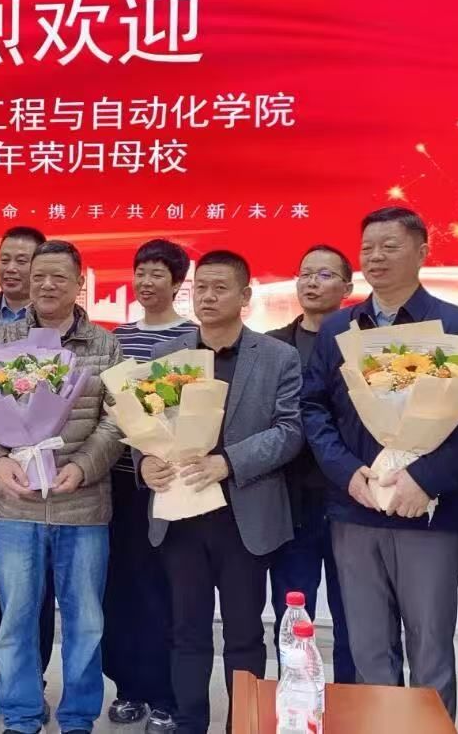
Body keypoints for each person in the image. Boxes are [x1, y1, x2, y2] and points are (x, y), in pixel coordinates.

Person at [301, 207, 458, 719]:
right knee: (368, 645)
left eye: (389, 246)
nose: (376, 257)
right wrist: (348, 473)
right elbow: (314, 409)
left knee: (430, 645)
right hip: (355, 506)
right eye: (367, 248)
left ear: (422, 251)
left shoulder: (456, 325)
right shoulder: (338, 328)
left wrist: (424, 479)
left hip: (429, 511)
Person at [139, 250, 303, 734]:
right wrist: (145, 462)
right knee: (186, 629)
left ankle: (244, 725)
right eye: (200, 288)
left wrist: (227, 462)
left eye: (220, 288)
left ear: (245, 296)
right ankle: (189, 721)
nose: (207, 297)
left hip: (243, 515)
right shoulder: (166, 357)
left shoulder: (277, 357)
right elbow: (145, 428)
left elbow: (290, 431)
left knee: (245, 634)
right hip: (180, 514)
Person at [0, 239, 123, 734]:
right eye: (39, 276)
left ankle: (78, 716)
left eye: (59, 276)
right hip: (13, 506)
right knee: (14, 621)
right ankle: (21, 714)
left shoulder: (105, 345)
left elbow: (117, 420)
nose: (47, 285)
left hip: (83, 505)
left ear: (80, 283)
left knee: (86, 621)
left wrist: (83, 467)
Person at [0, 225, 56, 722]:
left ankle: (31, 680)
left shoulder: (55, 327)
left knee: (34, 590)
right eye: (6, 258)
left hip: (42, 482)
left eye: (24, 260)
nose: (12, 268)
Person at [104, 238, 195, 731]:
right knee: (122, 588)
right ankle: (129, 687)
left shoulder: (192, 339)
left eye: (157, 273)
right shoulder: (116, 339)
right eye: (140, 272)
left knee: (165, 590)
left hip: (171, 484)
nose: (146, 281)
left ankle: (165, 694)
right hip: (118, 484)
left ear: (177, 283)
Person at [266, 244, 359, 685]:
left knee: (355, 614)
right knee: (292, 612)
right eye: (305, 274)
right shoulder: (270, 346)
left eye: (324, 275)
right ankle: (296, 700)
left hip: (352, 497)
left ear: (347, 287)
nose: (311, 283)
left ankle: (351, 702)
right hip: (290, 500)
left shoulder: (362, 343)